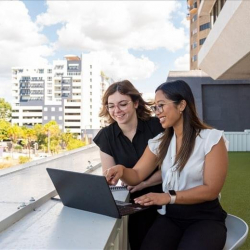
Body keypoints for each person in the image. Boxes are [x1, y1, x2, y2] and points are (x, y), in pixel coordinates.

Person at [106, 80, 228, 250]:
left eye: (161, 105)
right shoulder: (159, 142)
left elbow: (211, 189)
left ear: (181, 105)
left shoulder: (211, 139)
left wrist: (168, 197)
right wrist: (121, 170)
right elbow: (136, 175)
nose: (157, 112)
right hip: (170, 217)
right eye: (155, 107)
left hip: (205, 218)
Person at [93, 80, 164, 250]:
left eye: (123, 104)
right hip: (132, 202)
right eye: (111, 106)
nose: (116, 111)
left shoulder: (156, 126)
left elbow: (171, 169)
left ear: (136, 103)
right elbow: (110, 178)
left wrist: (144, 183)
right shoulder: (105, 136)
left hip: (162, 195)